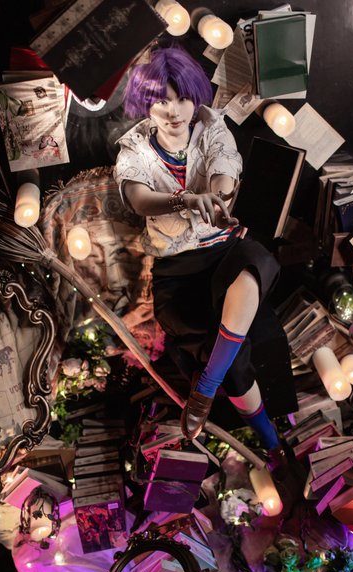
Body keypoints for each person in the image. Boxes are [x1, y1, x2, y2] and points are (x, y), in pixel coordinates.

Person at [114, 46, 285, 464]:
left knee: (252, 263)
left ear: (195, 97)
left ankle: (205, 389)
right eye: (161, 101)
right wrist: (186, 200)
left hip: (223, 252)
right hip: (176, 272)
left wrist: (219, 198)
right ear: (146, 104)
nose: (173, 111)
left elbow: (224, 171)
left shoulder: (212, 127)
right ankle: (273, 445)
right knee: (235, 363)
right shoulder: (134, 148)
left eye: (182, 99)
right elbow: (139, 199)